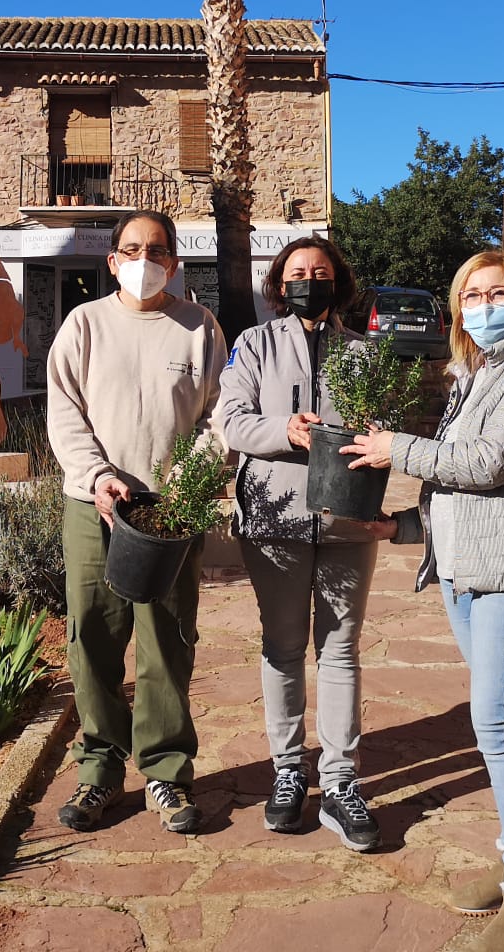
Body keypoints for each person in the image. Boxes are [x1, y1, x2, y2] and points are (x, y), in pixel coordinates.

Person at [343, 248, 504, 952]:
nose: (483, 302)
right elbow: (456, 486)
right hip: (464, 568)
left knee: (497, 722)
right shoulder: (472, 373)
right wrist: (404, 526)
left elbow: (492, 463)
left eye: (498, 291)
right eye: (472, 293)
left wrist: (395, 449)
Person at [46, 209, 227, 834]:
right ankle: (98, 768)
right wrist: (98, 475)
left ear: (174, 262)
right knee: (92, 637)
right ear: (112, 260)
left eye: (156, 249)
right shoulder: (84, 325)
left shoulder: (199, 328)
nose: (143, 259)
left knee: (167, 641)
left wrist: (188, 483)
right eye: (131, 248)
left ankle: (167, 773)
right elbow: (65, 412)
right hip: (92, 503)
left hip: (170, 513)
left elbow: (218, 418)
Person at [217, 236, 388, 851]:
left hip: (346, 520)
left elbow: (382, 428)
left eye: (319, 272)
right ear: (279, 283)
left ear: (336, 280)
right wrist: (282, 430)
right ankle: (288, 771)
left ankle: (341, 782)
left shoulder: (363, 354)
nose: (308, 280)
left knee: (340, 652)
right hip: (276, 519)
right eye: (297, 272)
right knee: (283, 647)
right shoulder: (254, 345)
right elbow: (230, 420)